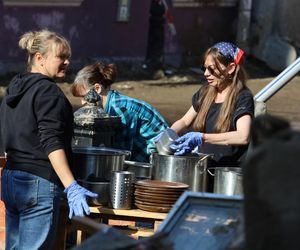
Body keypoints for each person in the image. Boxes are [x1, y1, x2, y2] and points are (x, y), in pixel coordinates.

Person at [0, 30, 97, 249]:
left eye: (67, 57)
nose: (67, 62)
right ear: (39, 58)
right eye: (61, 57)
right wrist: (71, 185)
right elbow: (51, 142)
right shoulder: (48, 93)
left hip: (11, 178)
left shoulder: (13, 90)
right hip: (38, 182)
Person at [170, 42, 254, 168]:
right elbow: (184, 121)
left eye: (212, 69)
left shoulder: (243, 97)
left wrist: (202, 137)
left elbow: (243, 136)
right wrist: (169, 133)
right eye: (204, 68)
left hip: (227, 174)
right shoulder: (205, 92)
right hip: (203, 169)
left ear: (230, 68)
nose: (206, 74)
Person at [71, 61, 169, 162]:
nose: (82, 102)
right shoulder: (112, 103)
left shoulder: (119, 109)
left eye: (84, 96)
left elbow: (122, 152)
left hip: (157, 157)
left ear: (97, 88)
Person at [143, 0, 176, 72]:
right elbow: (153, 12)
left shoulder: (163, 3)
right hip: (153, 27)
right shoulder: (153, 3)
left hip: (160, 28)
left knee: (159, 46)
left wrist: (171, 27)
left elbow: (167, 13)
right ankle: (150, 64)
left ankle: (159, 64)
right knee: (152, 46)